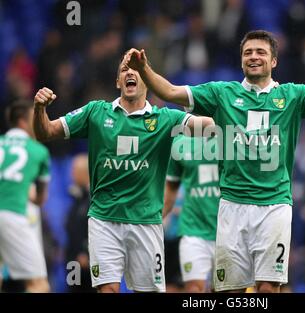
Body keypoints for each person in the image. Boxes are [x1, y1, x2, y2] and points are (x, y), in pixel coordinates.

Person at [124, 29, 305, 293]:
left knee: (267, 289)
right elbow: (171, 92)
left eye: (260, 52)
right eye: (248, 52)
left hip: (274, 205)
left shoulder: (292, 96)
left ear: (273, 61)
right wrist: (144, 69)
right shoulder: (222, 93)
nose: (253, 57)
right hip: (232, 207)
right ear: (241, 61)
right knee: (229, 291)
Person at [32, 52, 214, 293]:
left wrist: (224, 111)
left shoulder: (166, 119)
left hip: (146, 222)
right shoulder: (96, 112)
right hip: (104, 220)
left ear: (147, 80)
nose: (129, 73)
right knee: (107, 290)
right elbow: (46, 132)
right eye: (124, 70)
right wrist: (39, 109)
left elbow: (210, 127)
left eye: (136, 70)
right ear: (118, 82)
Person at [0, 100, 50, 293]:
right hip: (13, 215)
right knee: (38, 284)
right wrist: (33, 197)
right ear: (22, 122)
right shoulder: (39, 151)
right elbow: (41, 199)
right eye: (33, 118)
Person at [163, 135, 219, 292]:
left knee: (226, 289)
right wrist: (154, 221)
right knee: (194, 288)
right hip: (193, 228)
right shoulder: (180, 143)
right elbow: (171, 187)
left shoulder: (235, 137)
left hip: (229, 232)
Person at [65, 153, 96, 292]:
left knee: (85, 289)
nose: (72, 174)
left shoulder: (93, 199)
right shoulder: (77, 197)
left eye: (74, 171)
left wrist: (86, 252)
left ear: (85, 173)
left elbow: (93, 228)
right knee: (73, 288)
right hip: (73, 259)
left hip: (85, 261)